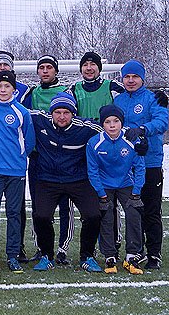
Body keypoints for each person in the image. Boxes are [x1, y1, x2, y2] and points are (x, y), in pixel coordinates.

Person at [28, 92, 103, 271]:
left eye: (66, 112)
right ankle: (46, 256)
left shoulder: (86, 127)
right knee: (41, 216)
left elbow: (112, 129)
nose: (62, 116)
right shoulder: (40, 119)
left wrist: (136, 137)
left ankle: (87, 256)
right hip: (48, 179)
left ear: (73, 114)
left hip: (78, 179)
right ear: (51, 113)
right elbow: (14, 109)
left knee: (93, 215)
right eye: (57, 112)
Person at [0, 70, 35, 274]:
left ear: (13, 89)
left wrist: (18, 158)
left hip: (16, 171)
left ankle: (13, 255)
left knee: (14, 213)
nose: (3, 89)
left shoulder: (22, 112)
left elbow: (30, 142)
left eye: (7, 86)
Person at [113, 60, 168, 270]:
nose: (130, 80)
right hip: (127, 165)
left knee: (151, 210)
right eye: (127, 77)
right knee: (133, 210)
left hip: (150, 162)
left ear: (142, 78)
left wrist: (143, 129)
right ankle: (136, 251)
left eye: (135, 76)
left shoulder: (153, 98)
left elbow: (162, 121)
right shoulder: (118, 100)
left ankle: (154, 254)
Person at [20, 55, 73, 264]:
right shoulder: (31, 93)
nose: (44, 71)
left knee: (65, 206)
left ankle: (62, 249)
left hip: (63, 158)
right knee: (39, 206)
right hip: (38, 158)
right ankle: (42, 248)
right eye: (41, 67)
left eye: (49, 67)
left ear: (56, 71)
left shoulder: (67, 92)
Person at [86, 105, 146, 275]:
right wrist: (101, 193)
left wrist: (137, 190)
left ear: (122, 122)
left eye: (116, 121)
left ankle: (132, 255)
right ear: (102, 124)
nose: (112, 125)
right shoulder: (94, 143)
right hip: (104, 185)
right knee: (106, 216)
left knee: (134, 213)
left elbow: (140, 167)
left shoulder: (131, 139)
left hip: (126, 183)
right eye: (107, 122)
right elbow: (92, 170)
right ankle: (110, 255)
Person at [70, 52, 123, 120]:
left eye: (93, 64)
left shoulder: (113, 87)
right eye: (85, 65)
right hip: (82, 127)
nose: (89, 68)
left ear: (99, 68)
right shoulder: (74, 89)